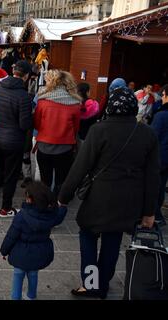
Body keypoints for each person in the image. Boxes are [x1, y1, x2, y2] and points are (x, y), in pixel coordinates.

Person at [58, 87, 159, 299]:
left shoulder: (99, 130)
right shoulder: (147, 133)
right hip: (128, 202)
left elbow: (80, 167)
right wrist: (149, 211)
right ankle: (102, 285)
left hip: (98, 199)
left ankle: (91, 284)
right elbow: (152, 177)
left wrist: (63, 196)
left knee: (88, 238)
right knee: (112, 243)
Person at [0, 61, 33, 218]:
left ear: (13, 70)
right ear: (26, 75)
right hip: (14, 140)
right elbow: (24, 124)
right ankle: (6, 208)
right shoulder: (23, 96)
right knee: (11, 176)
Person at [0, 182, 67, 300]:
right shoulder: (51, 215)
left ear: (30, 200)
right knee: (33, 274)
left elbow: (11, 236)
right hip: (39, 253)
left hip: (21, 254)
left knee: (18, 275)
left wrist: (4, 251)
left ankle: (16, 297)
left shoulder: (21, 216)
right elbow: (60, 215)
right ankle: (31, 296)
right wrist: (62, 206)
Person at [33, 70, 81, 197]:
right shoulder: (75, 104)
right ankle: (58, 202)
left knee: (45, 180)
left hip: (44, 146)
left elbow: (37, 124)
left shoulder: (42, 101)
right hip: (65, 148)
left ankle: (44, 203)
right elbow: (76, 129)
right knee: (61, 180)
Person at [151, 84, 168, 227]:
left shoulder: (161, 116)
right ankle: (157, 215)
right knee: (161, 186)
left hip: (159, 157)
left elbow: (152, 137)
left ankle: (153, 214)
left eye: (163, 95)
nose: (162, 98)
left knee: (153, 187)